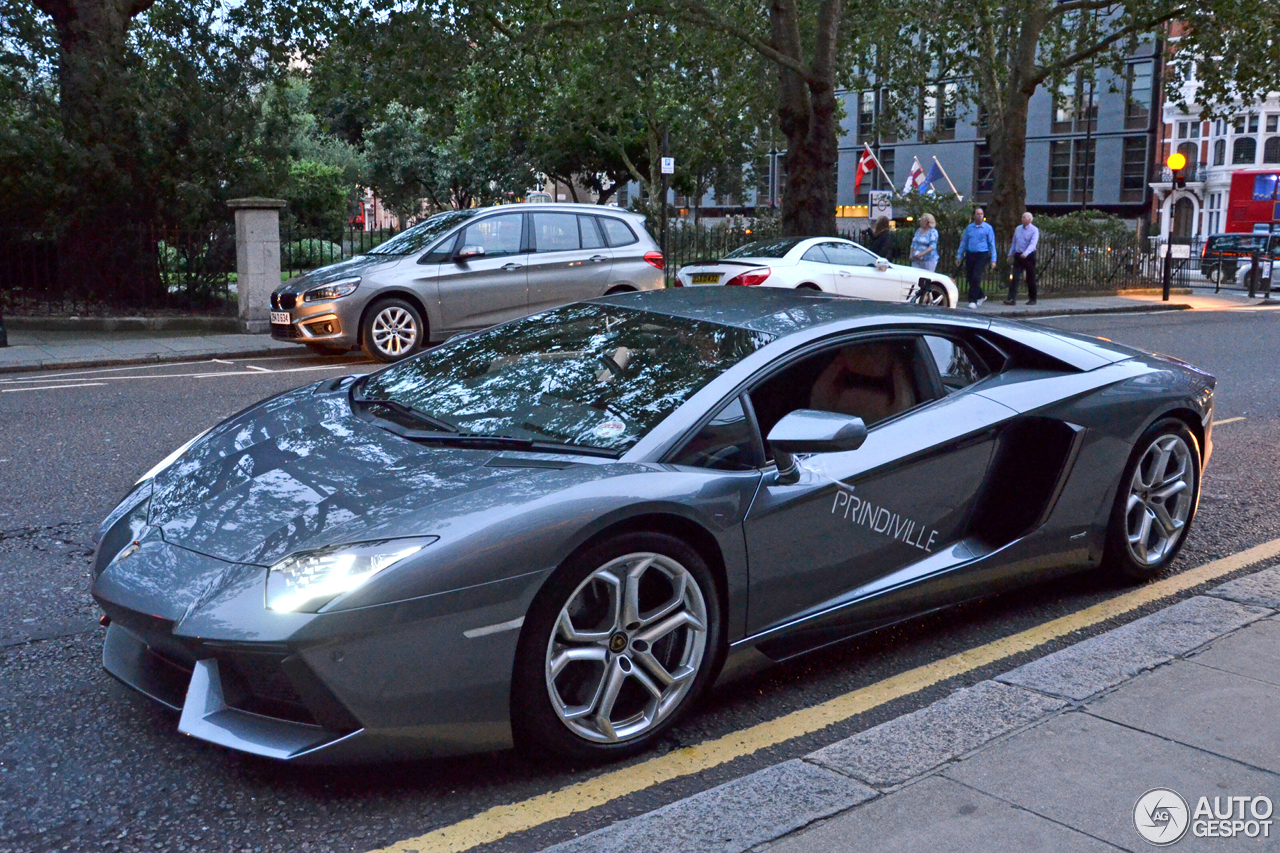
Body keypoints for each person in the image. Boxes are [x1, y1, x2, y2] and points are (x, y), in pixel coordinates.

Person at [955, 208, 997, 308]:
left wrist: (993, 259)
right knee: (969, 276)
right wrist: (959, 255)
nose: (979, 216)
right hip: (970, 253)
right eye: (977, 214)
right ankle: (981, 295)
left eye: (981, 214)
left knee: (976, 276)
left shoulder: (988, 228)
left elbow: (992, 244)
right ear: (974, 215)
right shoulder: (969, 228)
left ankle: (972, 299)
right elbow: (964, 242)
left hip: (982, 254)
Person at [1005, 211, 1039, 305]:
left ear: (1029, 219)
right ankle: (1011, 298)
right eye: (1022, 217)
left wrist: (1026, 253)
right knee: (1015, 277)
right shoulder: (1018, 229)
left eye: (1024, 217)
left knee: (1030, 278)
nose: (1022, 219)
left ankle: (1033, 298)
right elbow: (1014, 242)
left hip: (1029, 256)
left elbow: (1033, 244)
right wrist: (1010, 254)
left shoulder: (1034, 230)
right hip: (1018, 255)